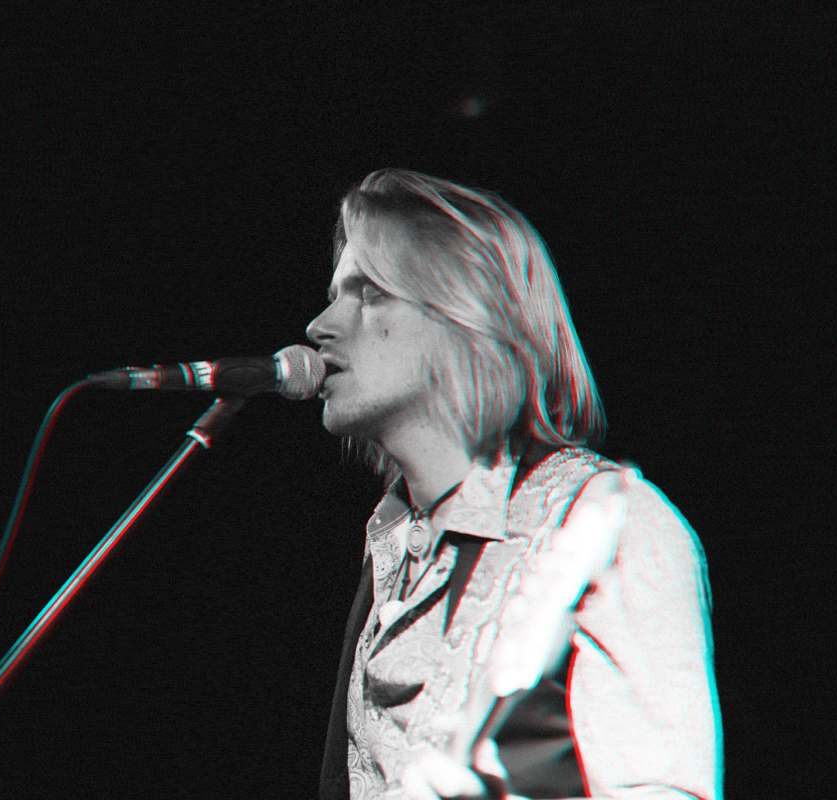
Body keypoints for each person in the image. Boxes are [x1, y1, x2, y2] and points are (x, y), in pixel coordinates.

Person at [307, 169, 722, 800]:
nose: (320, 325)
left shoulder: (610, 520)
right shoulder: (388, 545)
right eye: (336, 293)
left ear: (465, 315)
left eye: (369, 293)